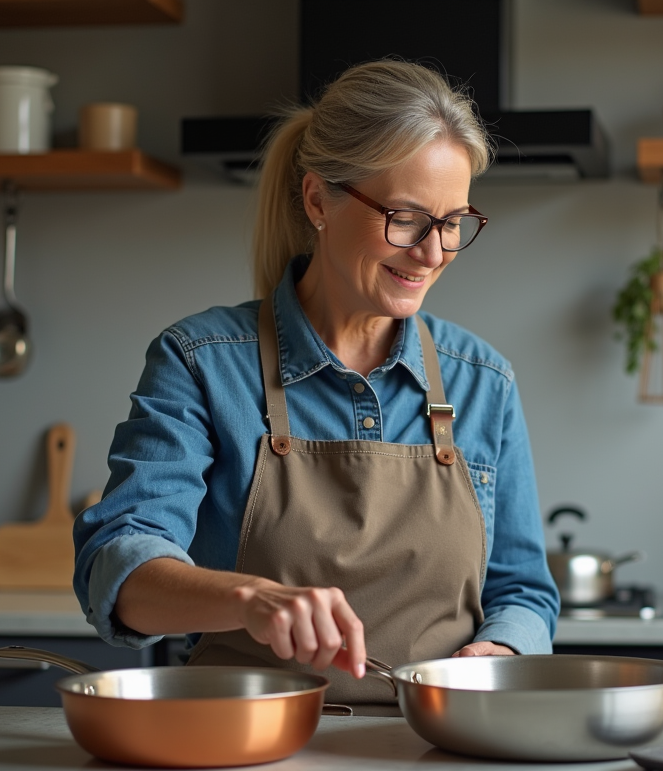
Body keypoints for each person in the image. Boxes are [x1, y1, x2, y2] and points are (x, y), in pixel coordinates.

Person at [73, 60, 560, 706]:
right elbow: (119, 565)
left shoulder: (483, 381)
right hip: (247, 739)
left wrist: (500, 652)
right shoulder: (201, 362)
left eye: (451, 223)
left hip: (435, 742)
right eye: (406, 217)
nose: (432, 253)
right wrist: (250, 599)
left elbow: (522, 591)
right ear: (316, 201)